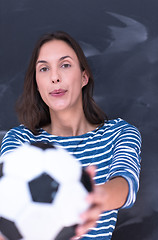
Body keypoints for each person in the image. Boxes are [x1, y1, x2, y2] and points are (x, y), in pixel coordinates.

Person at [0, 31, 141, 240]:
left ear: (84, 77)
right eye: (44, 68)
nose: (55, 77)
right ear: (37, 85)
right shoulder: (20, 140)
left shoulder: (119, 133)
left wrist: (94, 198)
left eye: (65, 65)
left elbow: (126, 184)